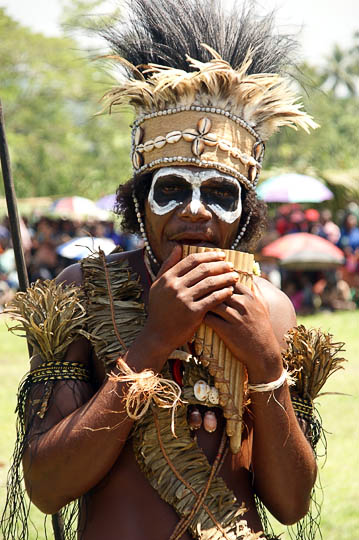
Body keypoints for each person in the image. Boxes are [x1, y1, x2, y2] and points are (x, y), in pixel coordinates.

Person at [1, 2, 345, 540]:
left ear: (245, 214)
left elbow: (292, 504)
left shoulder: (271, 310)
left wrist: (262, 360)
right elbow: (47, 487)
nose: (195, 211)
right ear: (139, 203)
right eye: (171, 189)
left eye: (218, 193)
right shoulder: (80, 293)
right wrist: (154, 340)